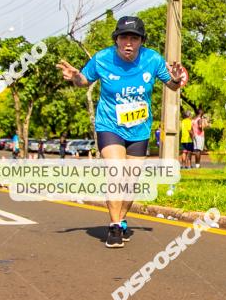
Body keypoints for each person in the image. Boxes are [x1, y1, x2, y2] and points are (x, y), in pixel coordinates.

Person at [57, 16, 186, 248]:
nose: (128, 43)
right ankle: (115, 226)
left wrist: (176, 80)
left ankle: (123, 219)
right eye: (124, 37)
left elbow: (173, 85)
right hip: (109, 126)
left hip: (139, 129)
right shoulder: (103, 58)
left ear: (141, 41)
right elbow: (84, 81)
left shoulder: (152, 59)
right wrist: (76, 77)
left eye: (134, 38)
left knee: (131, 181)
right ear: (116, 40)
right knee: (116, 172)